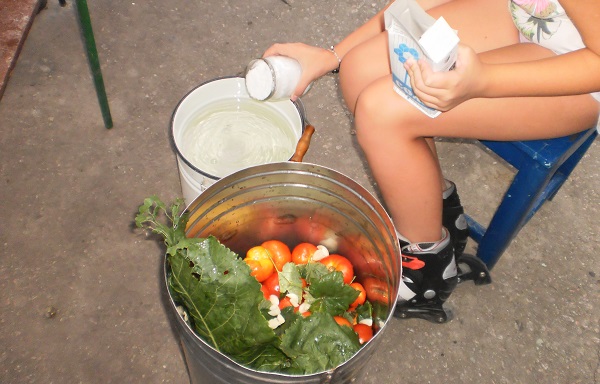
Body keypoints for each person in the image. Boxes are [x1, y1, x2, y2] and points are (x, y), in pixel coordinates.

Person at [263, 0, 600, 322]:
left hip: (579, 68)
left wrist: (483, 83)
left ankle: (427, 276)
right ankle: (437, 212)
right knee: (358, 69)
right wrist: (333, 55)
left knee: (380, 112)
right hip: (525, 13)